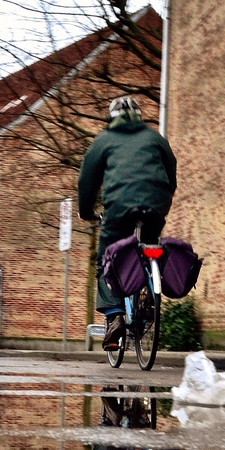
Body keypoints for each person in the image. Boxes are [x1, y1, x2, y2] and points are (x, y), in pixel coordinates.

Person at [78, 96, 177, 351]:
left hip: (119, 208)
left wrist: (86, 211)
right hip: (157, 203)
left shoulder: (103, 141)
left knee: (106, 258)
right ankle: (149, 295)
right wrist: (164, 195)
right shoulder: (155, 138)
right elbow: (171, 168)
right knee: (152, 242)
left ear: (110, 119)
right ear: (140, 116)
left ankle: (114, 316)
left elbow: (86, 182)